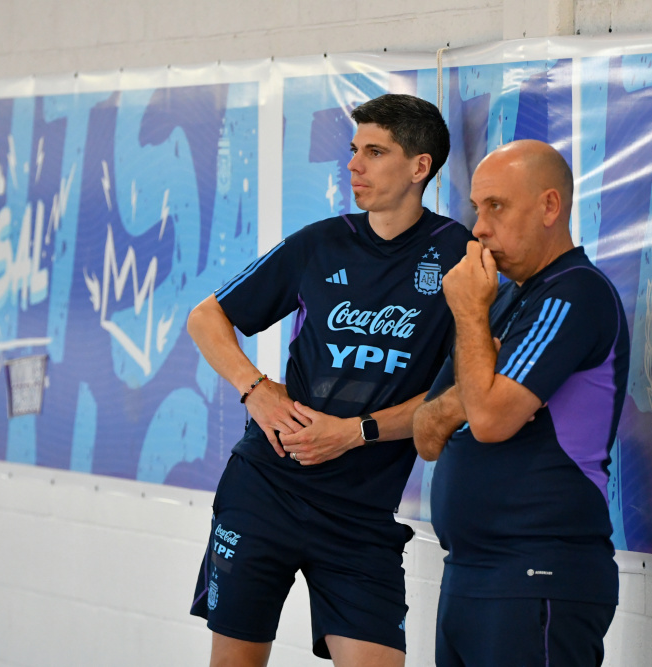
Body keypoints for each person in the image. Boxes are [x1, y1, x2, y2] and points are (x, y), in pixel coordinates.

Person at [188, 93, 471, 667]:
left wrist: (355, 433)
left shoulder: (460, 258)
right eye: (353, 150)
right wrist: (257, 390)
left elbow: (460, 392)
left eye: (374, 151)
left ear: (420, 167)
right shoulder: (320, 243)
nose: (354, 166)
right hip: (266, 490)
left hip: (360, 515)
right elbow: (206, 317)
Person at [413, 139, 630, 667]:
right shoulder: (505, 299)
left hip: (537, 573)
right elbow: (426, 432)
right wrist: (480, 381)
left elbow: (487, 421)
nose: (479, 229)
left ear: (549, 207)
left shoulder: (573, 294)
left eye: (496, 207)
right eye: (476, 209)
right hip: (470, 572)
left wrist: (469, 320)